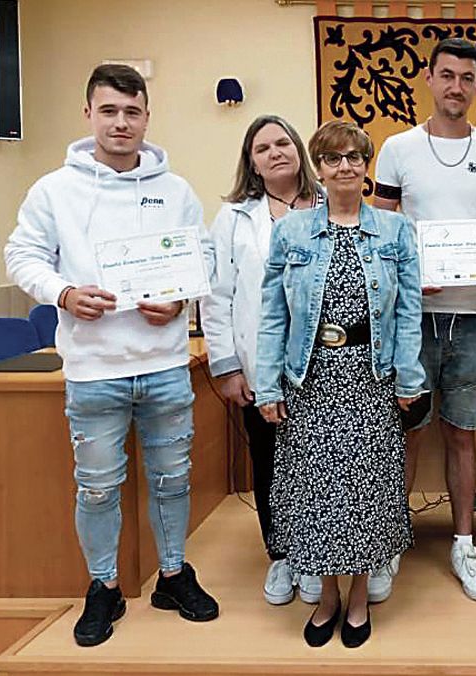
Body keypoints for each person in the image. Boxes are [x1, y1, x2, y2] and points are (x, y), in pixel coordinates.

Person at [4, 64, 218, 647]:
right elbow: (21, 256)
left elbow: (203, 262)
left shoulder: (175, 191)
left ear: (147, 116)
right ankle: (102, 586)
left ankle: (173, 573)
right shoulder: (54, 190)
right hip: (94, 370)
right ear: (89, 115)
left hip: (165, 366)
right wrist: (64, 294)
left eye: (132, 112)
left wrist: (178, 303)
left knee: (174, 481)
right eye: (109, 111)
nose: (121, 123)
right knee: (97, 487)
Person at [256, 120, 424, 649]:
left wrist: (410, 376)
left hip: (369, 377)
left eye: (355, 156)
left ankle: (357, 600)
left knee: (365, 491)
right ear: (319, 169)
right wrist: (268, 386)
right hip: (309, 378)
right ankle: (327, 595)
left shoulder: (396, 232)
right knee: (315, 496)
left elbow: (409, 312)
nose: (345, 166)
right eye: (333, 158)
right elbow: (272, 315)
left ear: (367, 165)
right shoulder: (291, 232)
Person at [373, 37, 476, 601]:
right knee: (397, 434)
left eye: (467, 77)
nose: (456, 86)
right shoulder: (396, 149)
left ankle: (463, 542)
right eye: (446, 74)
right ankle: (381, 541)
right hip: (411, 320)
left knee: (462, 433)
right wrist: (409, 274)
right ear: (428, 79)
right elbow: (377, 237)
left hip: (474, 316)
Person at [201, 115, 324, 607]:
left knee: (323, 463)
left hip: (326, 363)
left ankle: (320, 554)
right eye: (262, 148)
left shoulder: (329, 205)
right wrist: (227, 366)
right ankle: (282, 554)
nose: (275, 152)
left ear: (299, 149)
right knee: (269, 460)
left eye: (283, 142)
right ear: (250, 162)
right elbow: (217, 296)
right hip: (261, 365)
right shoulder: (235, 218)